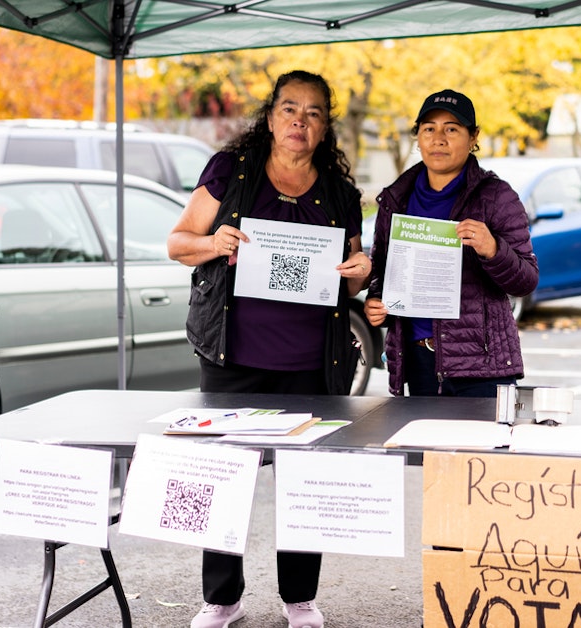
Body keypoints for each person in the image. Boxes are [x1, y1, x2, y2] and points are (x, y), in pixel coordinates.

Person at [168, 70, 370, 628]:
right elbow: (178, 242)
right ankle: (221, 600)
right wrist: (213, 242)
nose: (299, 122)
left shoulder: (340, 194)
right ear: (271, 115)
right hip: (232, 360)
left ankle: (300, 599)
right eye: (289, 109)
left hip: (311, 366)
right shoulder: (231, 172)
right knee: (222, 483)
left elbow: (350, 279)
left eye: (312, 113)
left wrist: (362, 270)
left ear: (326, 125)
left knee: (305, 486)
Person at [363, 89, 539, 397]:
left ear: (473, 138)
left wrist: (493, 249)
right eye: (429, 128)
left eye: (452, 129)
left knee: (478, 447)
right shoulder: (396, 199)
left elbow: (526, 281)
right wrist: (378, 306)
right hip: (416, 363)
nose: (438, 138)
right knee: (419, 446)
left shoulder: (497, 197)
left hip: (481, 368)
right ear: (418, 137)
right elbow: (383, 273)